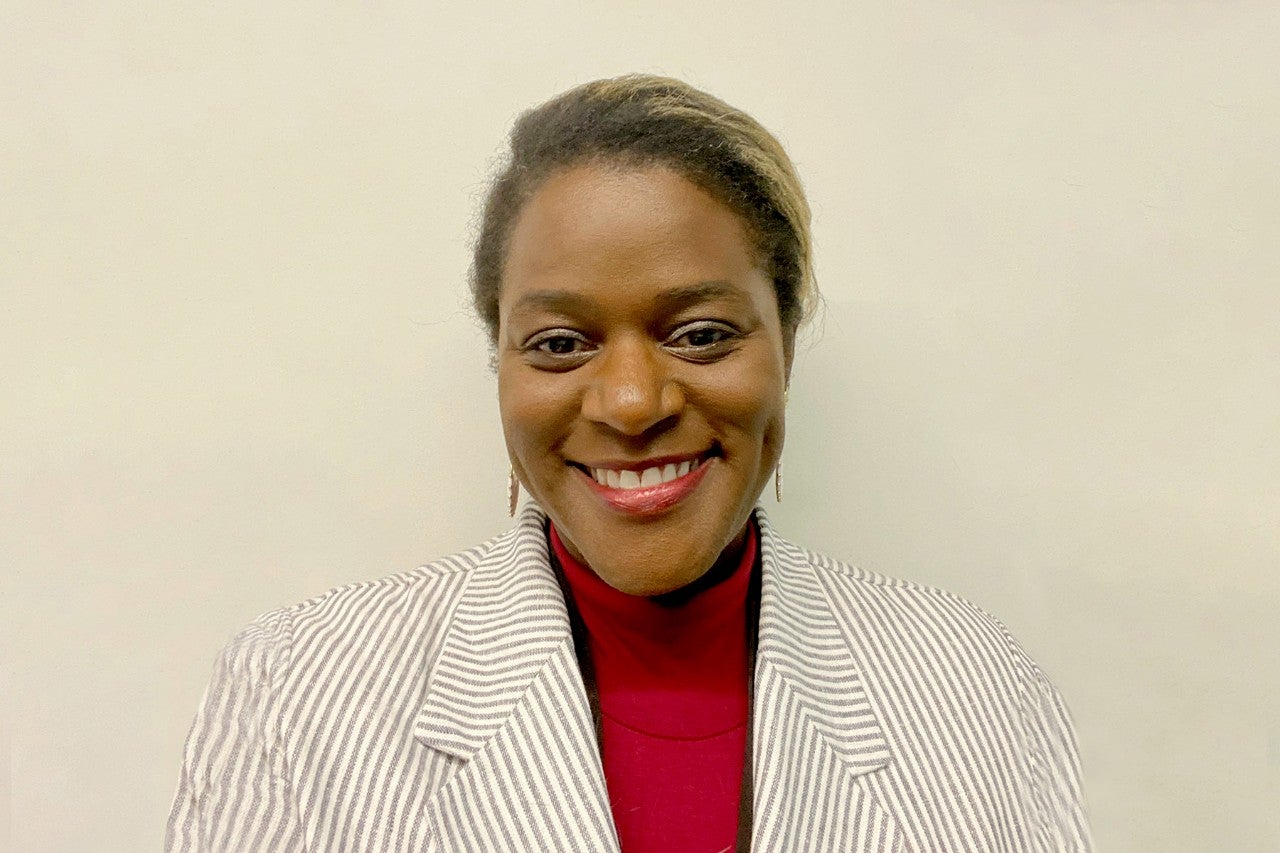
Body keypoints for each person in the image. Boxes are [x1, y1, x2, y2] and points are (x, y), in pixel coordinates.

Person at [167, 74, 1091, 852]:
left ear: (785, 347)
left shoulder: (978, 690)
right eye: (560, 343)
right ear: (501, 364)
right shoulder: (294, 696)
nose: (632, 402)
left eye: (701, 332)